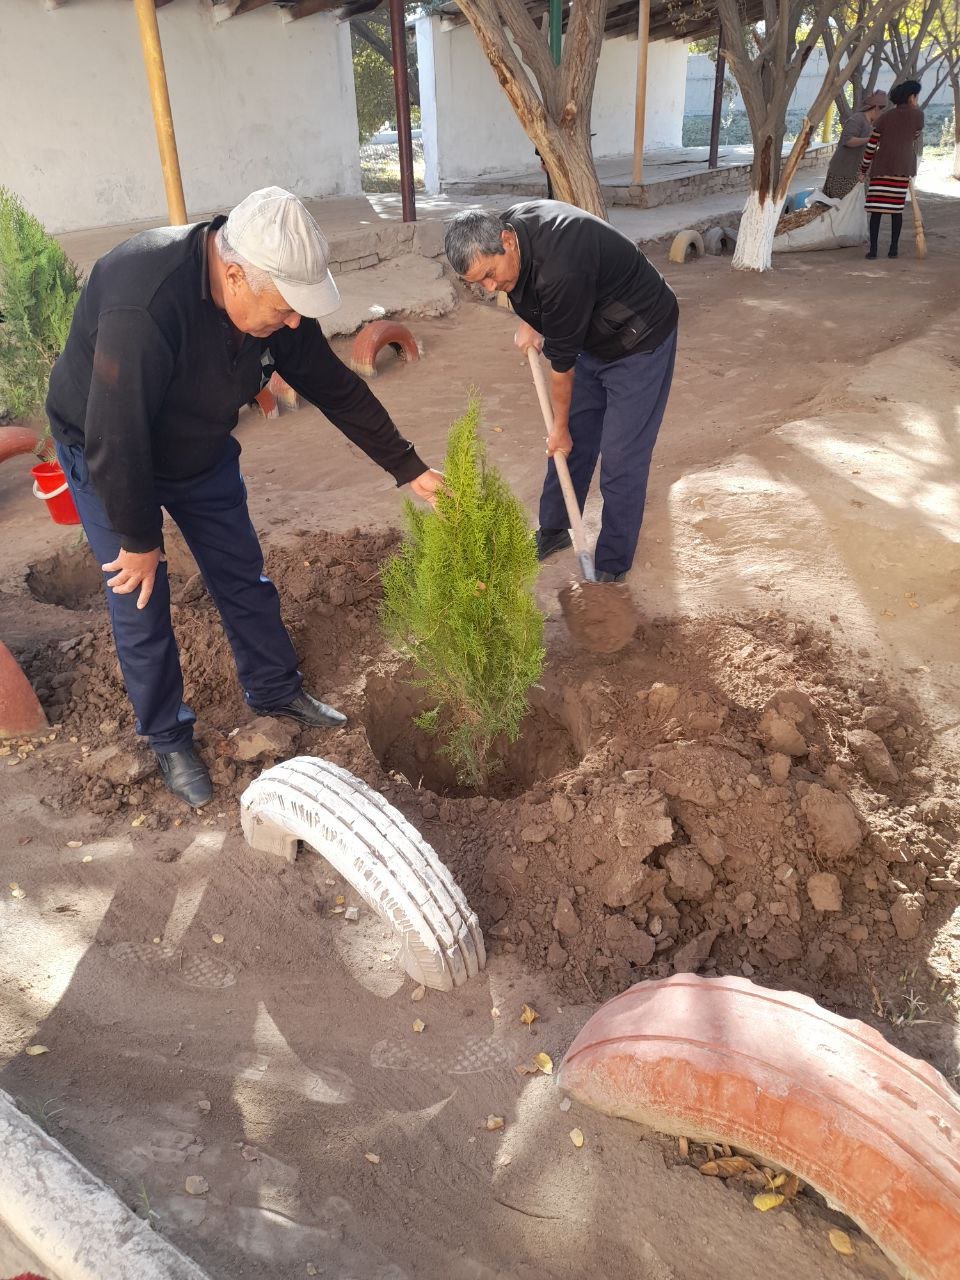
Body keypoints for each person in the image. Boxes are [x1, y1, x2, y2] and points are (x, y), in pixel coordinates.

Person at [46, 186, 443, 808]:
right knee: (140, 595)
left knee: (240, 570)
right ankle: (168, 736)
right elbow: (114, 434)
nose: (294, 322)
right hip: (108, 448)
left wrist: (408, 467)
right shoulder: (143, 301)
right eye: (285, 308)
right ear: (234, 276)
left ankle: (275, 689)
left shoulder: (274, 302)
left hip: (196, 443)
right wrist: (139, 539)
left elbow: (334, 386)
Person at [443, 200, 678, 584]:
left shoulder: (562, 267)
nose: (490, 288)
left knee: (620, 454)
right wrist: (533, 320)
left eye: (489, 275)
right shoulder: (507, 233)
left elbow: (562, 369)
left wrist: (560, 428)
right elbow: (535, 293)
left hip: (640, 338)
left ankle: (611, 564)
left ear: (506, 241)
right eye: (478, 283)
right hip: (591, 328)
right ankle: (554, 529)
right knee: (571, 443)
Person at [858, 80, 925, 259]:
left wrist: (863, 169)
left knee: (876, 211)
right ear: (911, 97)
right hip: (902, 168)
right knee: (896, 210)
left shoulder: (884, 118)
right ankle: (893, 249)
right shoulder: (919, 116)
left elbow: (871, 146)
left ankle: (873, 251)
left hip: (881, 168)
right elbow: (914, 136)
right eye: (916, 96)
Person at [821, 90, 888, 200]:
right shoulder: (857, 119)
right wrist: (869, 139)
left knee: (855, 205)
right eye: (882, 111)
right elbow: (848, 140)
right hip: (843, 172)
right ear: (876, 108)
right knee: (840, 205)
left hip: (857, 173)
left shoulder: (870, 123)